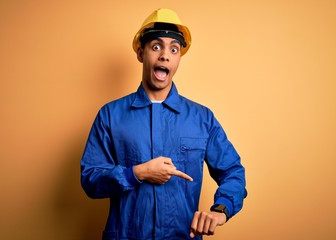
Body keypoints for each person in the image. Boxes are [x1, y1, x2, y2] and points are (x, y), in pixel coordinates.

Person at [81, 8, 247, 240]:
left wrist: (221, 210)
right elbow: (90, 179)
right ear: (141, 53)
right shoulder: (110, 115)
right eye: (156, 46)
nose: (165, 56)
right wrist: (136, 174)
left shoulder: (202, 118)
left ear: (179, 57)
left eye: (174, 49)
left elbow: (233, 171)